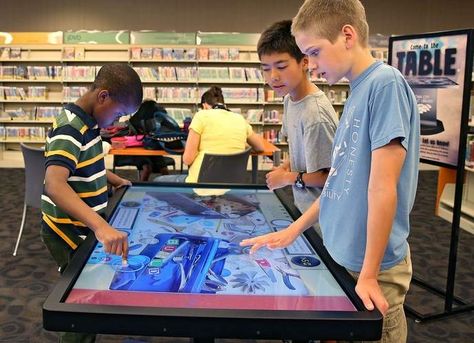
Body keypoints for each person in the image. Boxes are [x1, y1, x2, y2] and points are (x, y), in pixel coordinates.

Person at [241, 1, 420, 342]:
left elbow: (383, 188)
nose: (313, 64)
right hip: (347, 256)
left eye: (315, 52)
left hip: (372, 268)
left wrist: (368, 274)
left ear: (347, 36)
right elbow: (340, 184)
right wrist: (293, 230)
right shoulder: (357, 90)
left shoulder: (385, 85)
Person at [40, 63, 143, 343]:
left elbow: (85, 163)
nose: (119, 121)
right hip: (66, 230)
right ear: (103, 97)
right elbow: (55, 183)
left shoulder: (89, 123)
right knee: (83, 302)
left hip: (82, 226)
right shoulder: (70, 127)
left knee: (91, 292)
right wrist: (101, 227)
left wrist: (112, 178)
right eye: (119, 113)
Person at [258, 19, 338, 214]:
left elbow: (330, 177)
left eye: (281, 66)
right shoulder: (290, 100)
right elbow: (299, 155)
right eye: (266, 69)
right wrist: (284, 167)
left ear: (305, 62)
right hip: (305, 208)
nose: (273, 76)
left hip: (324, 216)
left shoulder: (315, 114)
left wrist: (285, 178)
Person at [155, 86, 265, 183]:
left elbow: (187, 159)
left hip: (201, 184)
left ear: (204, 106)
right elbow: (260, 147)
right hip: (231, 184)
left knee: (158, 181)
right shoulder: (239, 119)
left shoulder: (201, 116)